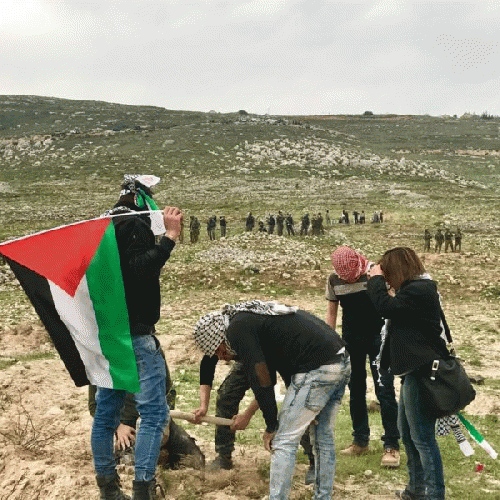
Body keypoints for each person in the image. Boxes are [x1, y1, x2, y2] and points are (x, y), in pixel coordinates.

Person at [192, 301, 350, 500]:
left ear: (219, 338)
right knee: (321, 438)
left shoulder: (237, 330)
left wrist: (271, 425)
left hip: (317, 368)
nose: (222, 358)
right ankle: (323, 497)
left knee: (283, 441)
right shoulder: (251, 321)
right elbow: (272, 376)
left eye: (220, 351)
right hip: (340, 360)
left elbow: (262, 379)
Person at [92, 174, 183, 500]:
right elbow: (139, 269)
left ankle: (109, 490)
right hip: (136, 335)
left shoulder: (106, 225)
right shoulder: (134, 224)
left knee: (106, 414)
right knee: (155, 414)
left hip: (112, 334)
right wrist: (169, 238)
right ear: (142, 198)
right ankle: (143, 489)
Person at [367, 247, 449, 500]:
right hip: (412, 373)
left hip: (422, 373)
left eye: (389, 272)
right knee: (408, 435)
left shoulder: (420, 290)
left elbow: (385, 307)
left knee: (422, 439)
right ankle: (415, 491)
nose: (388, 279)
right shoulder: (413, 291)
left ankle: (434, 495)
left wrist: (376, 279)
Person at [325, 246, 400, 468]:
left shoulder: (375, 273)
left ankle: (392, 446)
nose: (347, 278)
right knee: (355, 390)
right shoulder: (334, 280)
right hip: (350, 342)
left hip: (380, 341)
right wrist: (330, 343)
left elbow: (392, 302)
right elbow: (332, 312)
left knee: (384, 389)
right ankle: (360, 440)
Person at [193, 351, 316, 484]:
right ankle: (223, 455)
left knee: (299, 403)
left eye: (222, 352)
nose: (222, 359)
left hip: (286, 355)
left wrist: (249, 415)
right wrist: (203, 406)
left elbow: (267, 385)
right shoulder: (214, 341)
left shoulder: (247, 342)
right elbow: (207, 367)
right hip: (251, 355)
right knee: (226, 396)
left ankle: (315, 461)